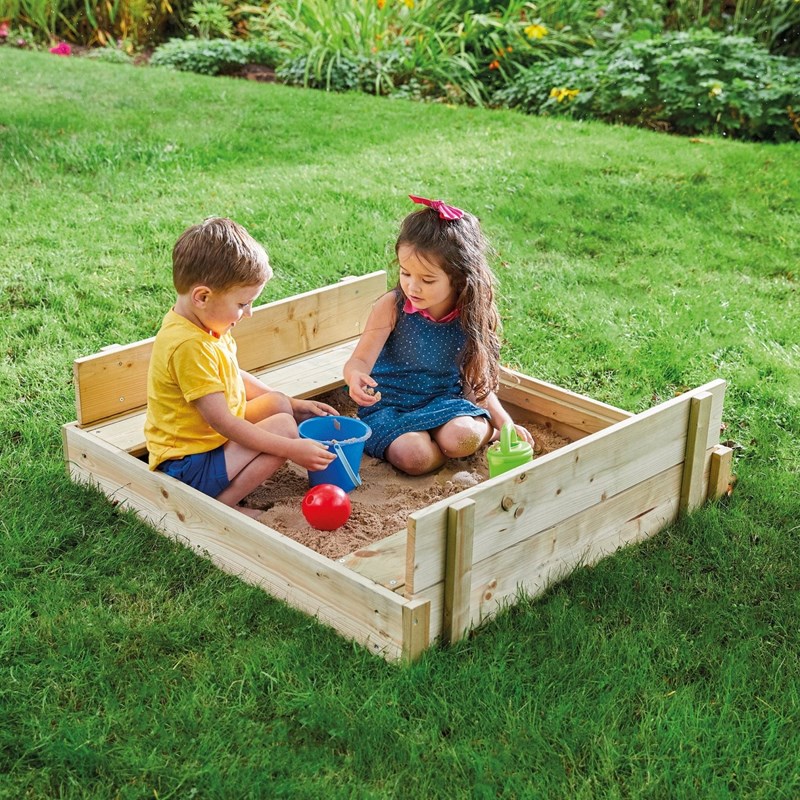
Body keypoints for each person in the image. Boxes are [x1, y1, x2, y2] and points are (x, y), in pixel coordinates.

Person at [145, 217, 337, 517]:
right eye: (242, 304)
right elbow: (224, 423)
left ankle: (245, 469)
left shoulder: (207, 323)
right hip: (188, 464)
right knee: (285, 430)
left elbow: (231, 375)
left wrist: (293, 403)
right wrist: (291, 449)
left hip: (208, 442)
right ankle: (223, 505)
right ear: (202, 296)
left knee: (277, 403)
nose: (248, 313)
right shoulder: (188, 346)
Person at [343, 195, 534, 476]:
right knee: (413, 455)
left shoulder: (470, 315)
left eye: (427, 279)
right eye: (406, 273)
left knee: (462, 436)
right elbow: (358, 361)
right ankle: (440, 454)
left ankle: (480, 434)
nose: (412, 287)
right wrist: (355, 377)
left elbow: (476, 382)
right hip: (390, 407)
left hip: (445, 403)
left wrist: (504, 424)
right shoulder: (392, 307)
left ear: (459, 278)